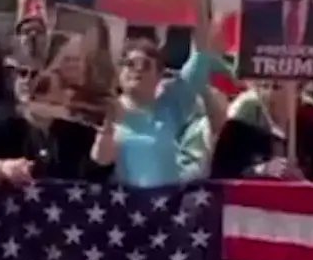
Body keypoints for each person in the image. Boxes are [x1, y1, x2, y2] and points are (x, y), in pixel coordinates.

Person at [90, 37, 221, 188]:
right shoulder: (106, 109)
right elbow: (101, 159)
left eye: (145, 64)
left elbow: (198, 62)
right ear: (120, 71)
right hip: (126, 199)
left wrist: (201, 22)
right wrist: (106, 129)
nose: (137, 70)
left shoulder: (170, 106)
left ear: (159, 75)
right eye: (130, 64)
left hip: (168, 199)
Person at [0, 53, 112, 184]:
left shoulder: (77, 130)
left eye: (42, 86)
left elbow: (98, 170)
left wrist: (104, 144)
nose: (28, 82)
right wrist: (2, 168)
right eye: (22, 74)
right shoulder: (5, 121)